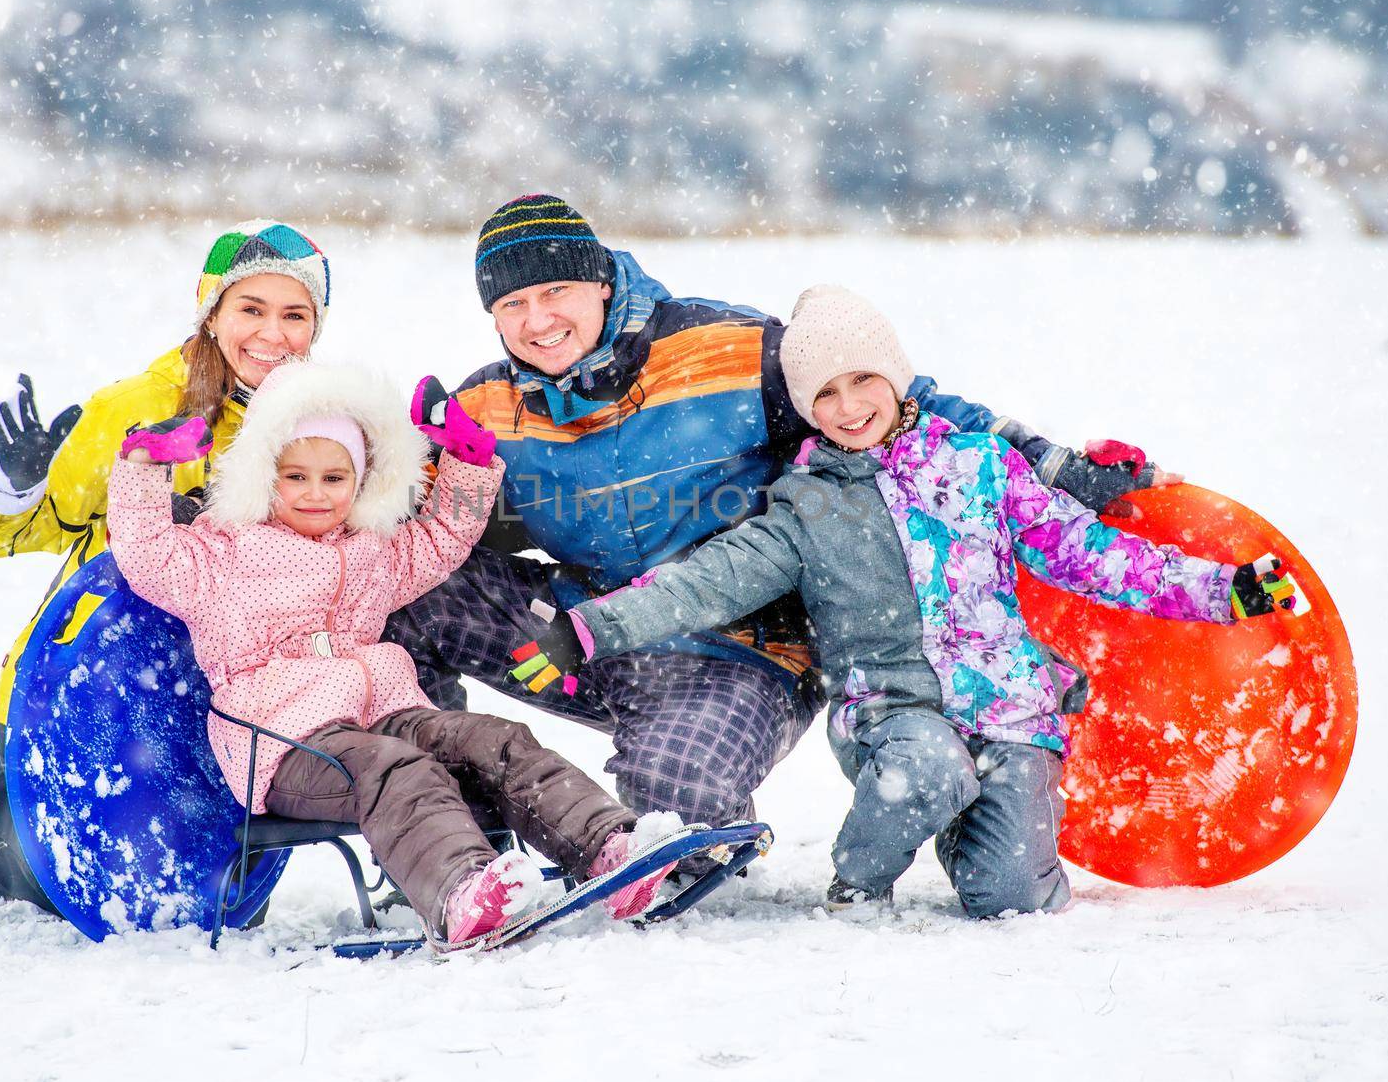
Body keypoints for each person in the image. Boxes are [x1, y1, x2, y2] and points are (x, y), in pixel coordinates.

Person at [386, 193, 1177, 837]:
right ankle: (457, 839)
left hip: (742, 656)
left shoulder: (731, 352)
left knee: (668, 807)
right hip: (575, 632)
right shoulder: (486, 405)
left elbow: (893, 399)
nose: (537, 319)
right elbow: (414, 520)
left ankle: (685, 823)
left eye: (554, 290)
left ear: (599, 281)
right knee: (400, 588)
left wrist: (1052, 464)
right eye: (513, 303)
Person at [518, 284, 1299, 917]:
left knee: (1013, 899)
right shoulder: (805, 508)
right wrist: (588, 631)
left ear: (894, 378)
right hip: (889, 711)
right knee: (926, 768)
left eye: (863, 380)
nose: (849, 405)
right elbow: (703, 580)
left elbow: (1093, 558)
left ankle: (977, 824)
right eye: (823, 392)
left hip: (1007, 708)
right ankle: (857, 885)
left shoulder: (983, 467)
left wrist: (1225, 591)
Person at [106, 359, 680, 944]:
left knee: (493, 739)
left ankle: (609, 847)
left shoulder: (371, 551)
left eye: (335, 478)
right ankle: (463, 892)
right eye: (294, 476)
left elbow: (441, 539)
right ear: (262, 475)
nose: (315, 494)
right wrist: (145, 468)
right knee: (394, 769)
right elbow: (147, 551)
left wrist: (467, 464)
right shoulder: (219, 557)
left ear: (361, 482)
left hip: (385, 715)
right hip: (285, 743)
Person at [0, 219, 331, 910]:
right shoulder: (136, 409)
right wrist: (14, 484)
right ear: (211, 313)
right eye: (251, 309)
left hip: (217, 708)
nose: (272, 334)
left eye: (295, 315)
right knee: (27, 895)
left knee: (192, 911)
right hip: (76, 692)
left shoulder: (317, 431)